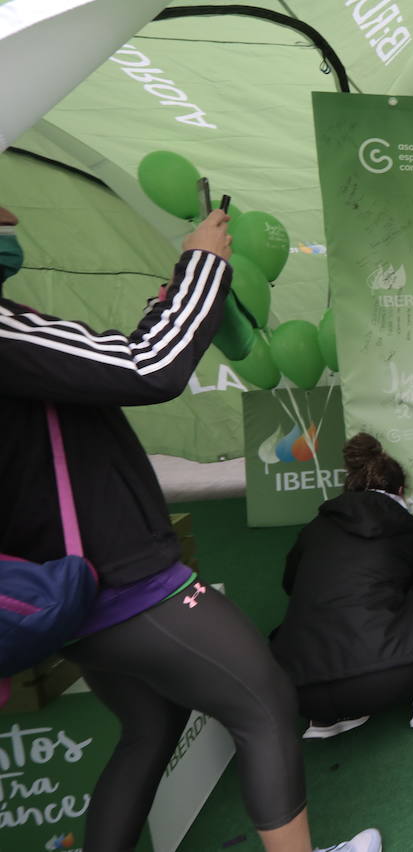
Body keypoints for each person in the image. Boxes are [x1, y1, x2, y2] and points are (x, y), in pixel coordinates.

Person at [0, 204, 380, 852]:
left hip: (66, 581)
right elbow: (149, 368)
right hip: (120, 580)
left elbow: (98, 372)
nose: (10, 217)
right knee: (266, 705)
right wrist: (202, 263)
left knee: (151, 725)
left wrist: (180, 303)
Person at [271, 433, 413, 737]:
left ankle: (328, 718)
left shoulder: (314, 528)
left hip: (299, 688)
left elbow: (290, 584)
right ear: (399, 490)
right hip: (381, 678)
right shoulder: (403, 528)